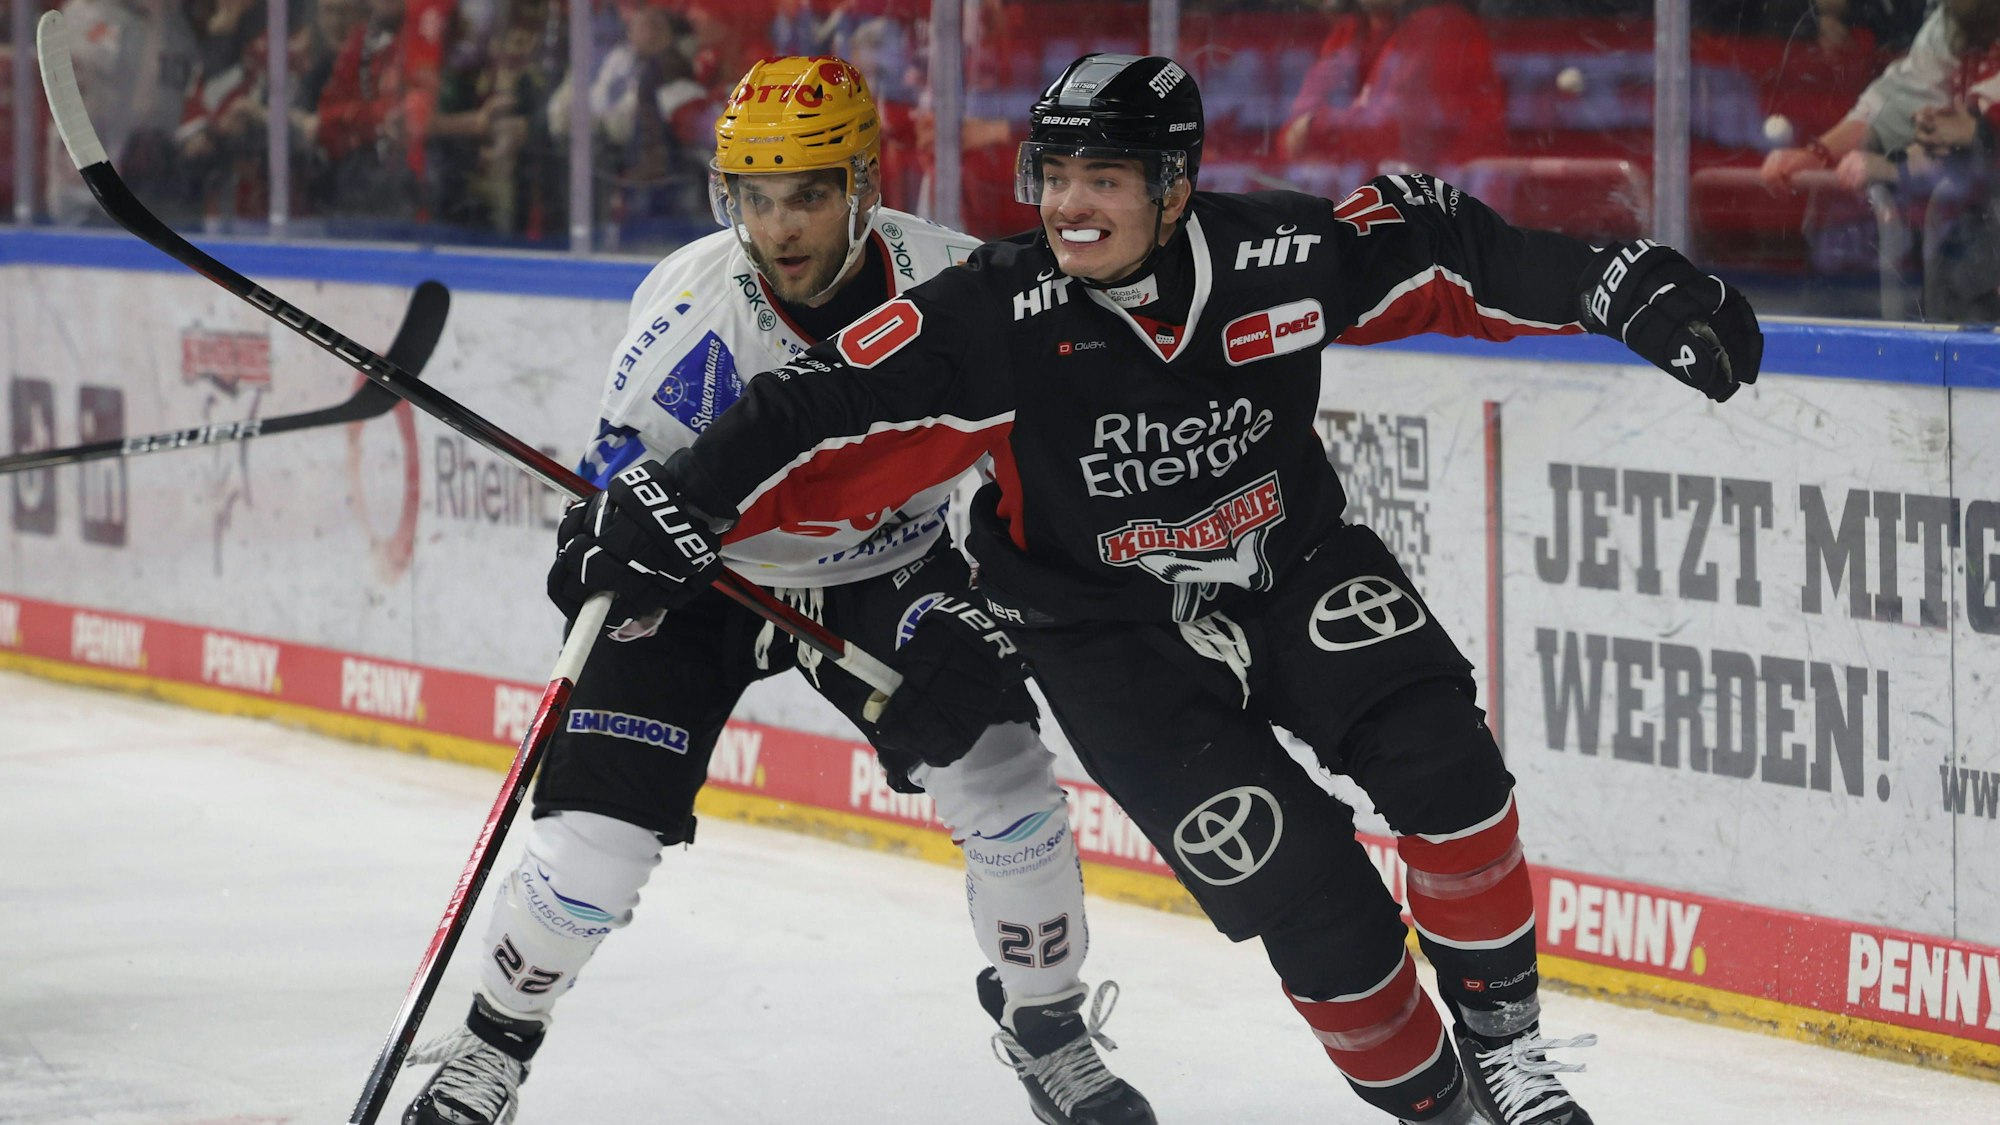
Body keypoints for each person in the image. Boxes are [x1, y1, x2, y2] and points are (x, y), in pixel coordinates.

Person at [555, 53, 1764, 1125]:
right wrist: (676, 502)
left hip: (1292, 570)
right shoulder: (994, 310)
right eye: (1051, 174)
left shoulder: (1273, 255)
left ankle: (1513, 1060)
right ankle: (1442, 1111)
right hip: (1103, 638)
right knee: (1315, 905)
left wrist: (1619, 283)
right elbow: (818, 409)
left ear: (1174, 186)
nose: (1066, 206)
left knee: (1445, 768)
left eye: (1102, 179)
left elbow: (1442, 243)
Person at [401, 55, 1155, 1125]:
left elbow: (1025, 474)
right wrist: (595, 557)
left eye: (807, 194)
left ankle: (1046, 1026)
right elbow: (616, 502)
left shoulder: (958, 286)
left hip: (884, 567)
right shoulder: (687, 316)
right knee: (594, 841)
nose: (782, 226)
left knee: (1009, 789)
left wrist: (979, 602)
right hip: (710, 579)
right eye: (756, 199)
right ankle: (489, 1047)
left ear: (862, 187)